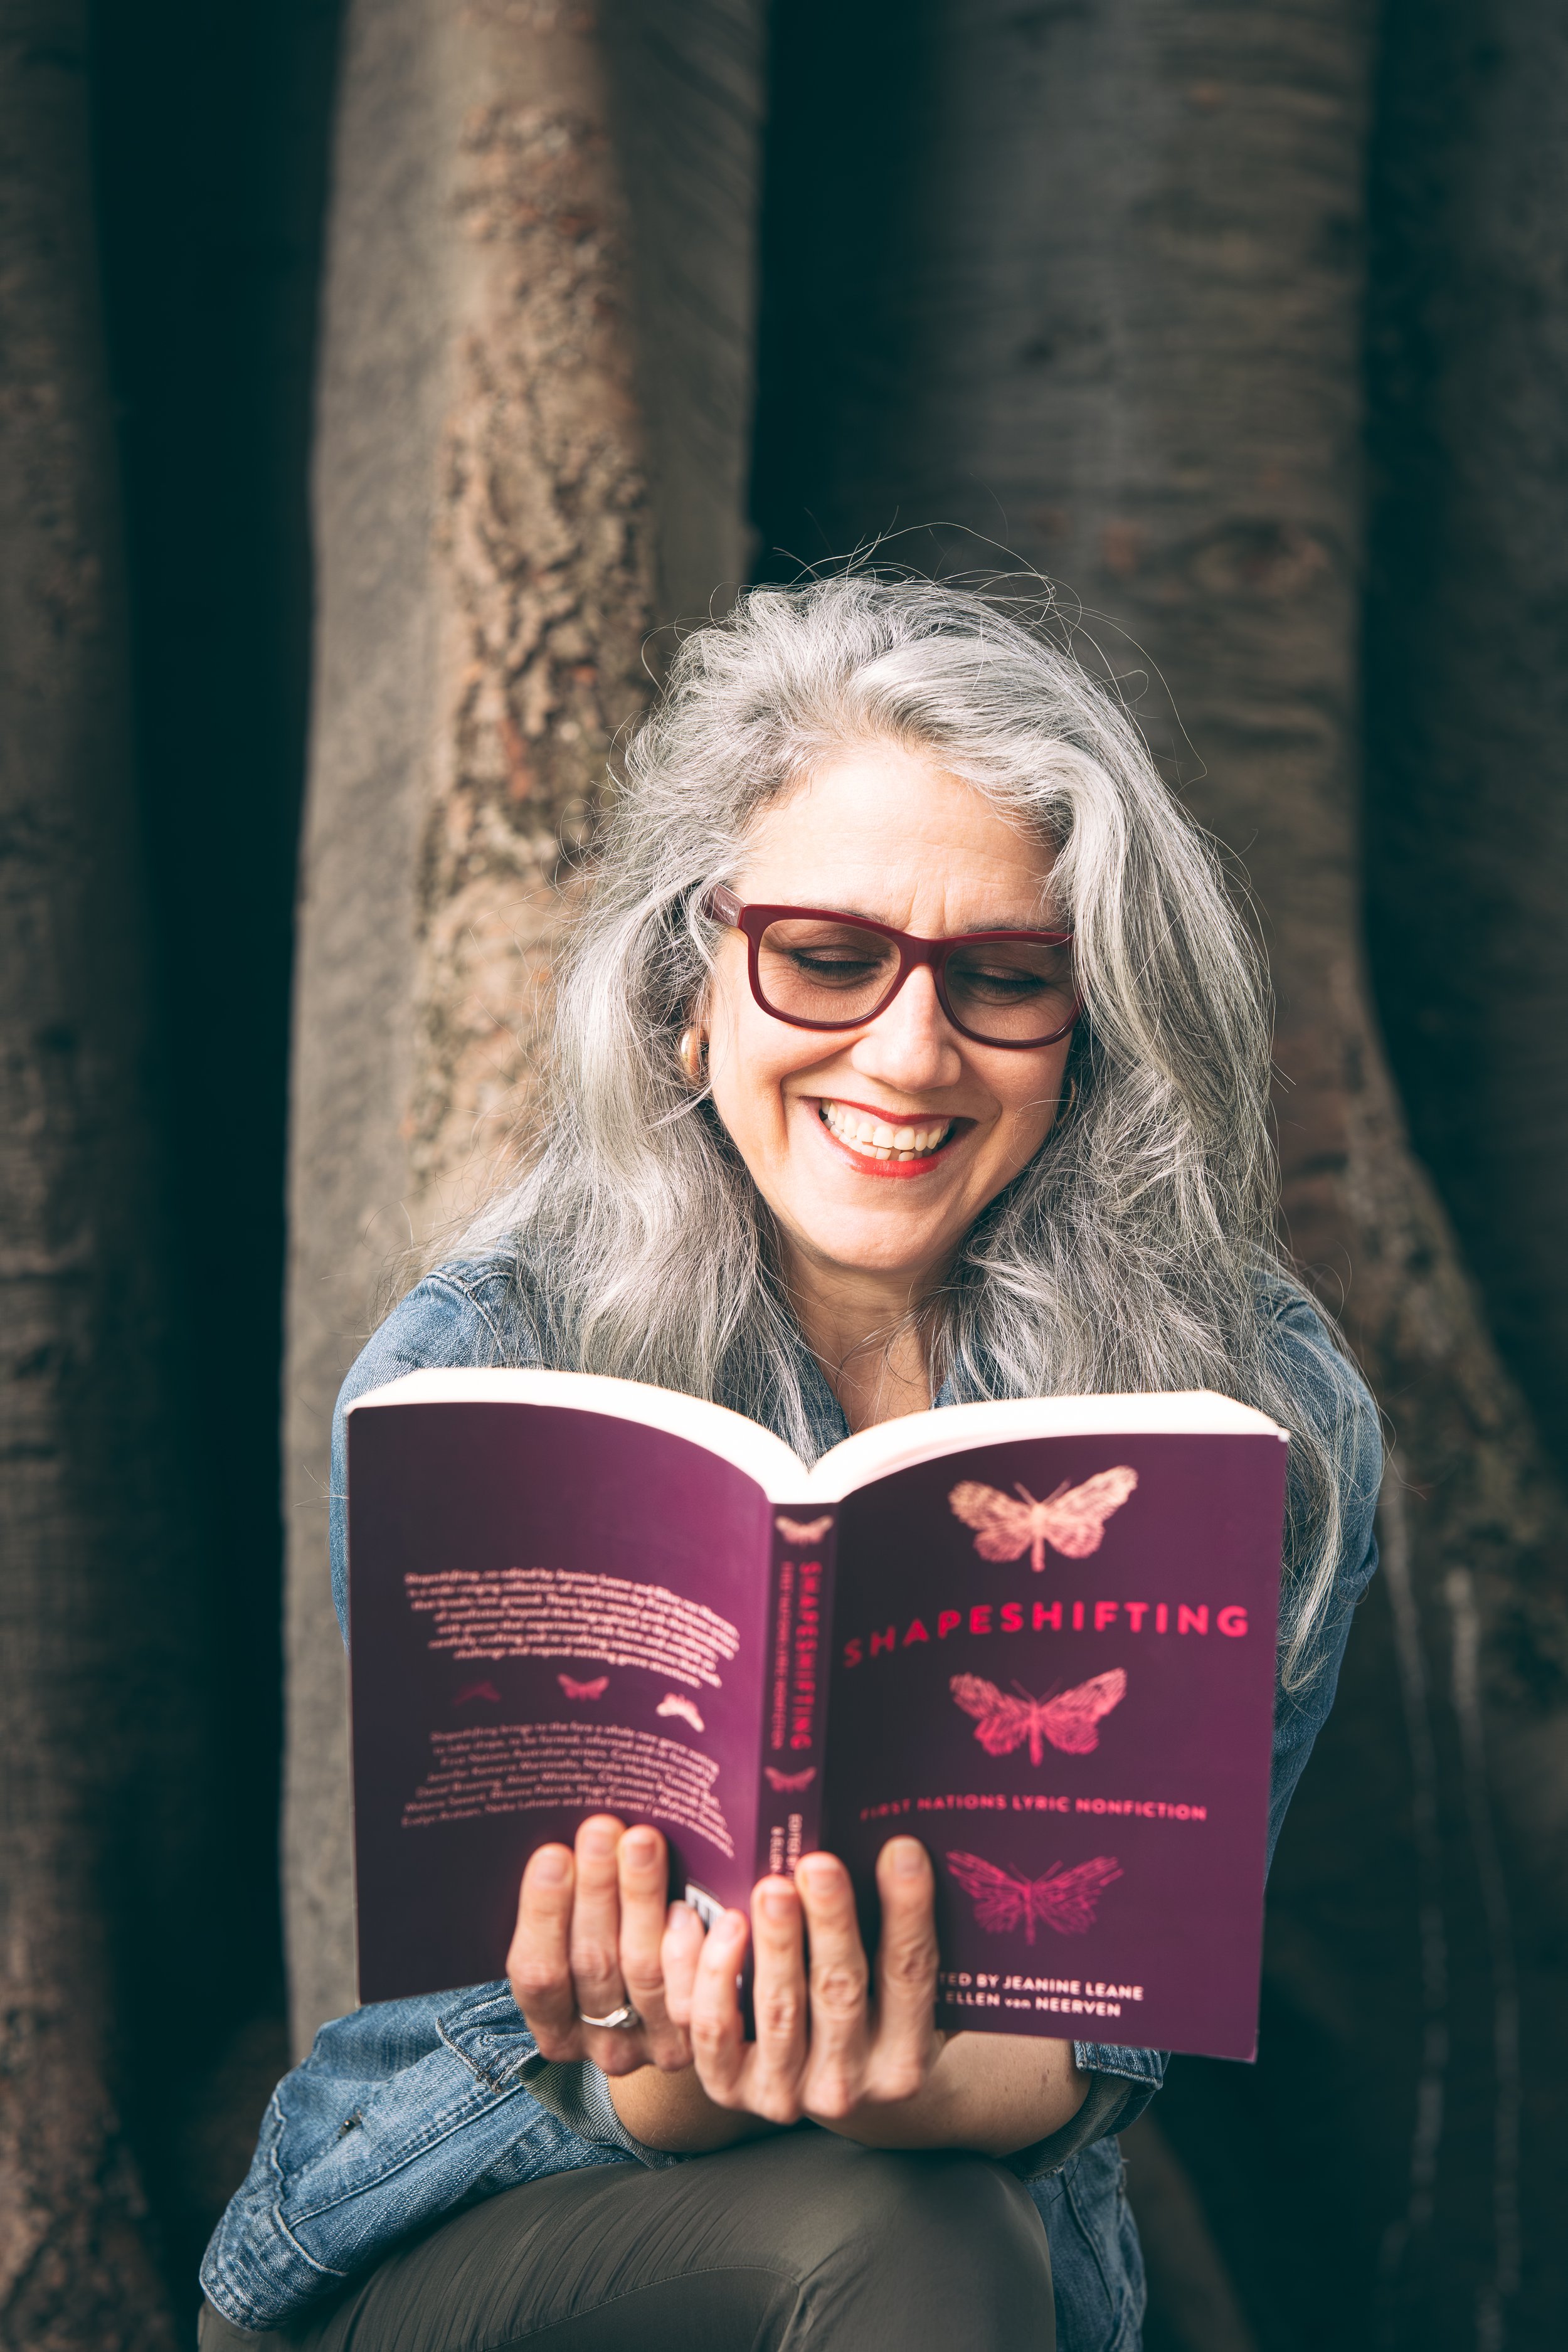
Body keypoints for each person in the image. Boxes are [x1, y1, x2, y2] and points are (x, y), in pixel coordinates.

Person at [200, 576, 1381, 2352]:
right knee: (908, 2239)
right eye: (827, 959)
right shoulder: (480, 1367)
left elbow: (1099, 2045)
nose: (907, 1052)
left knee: (931, 2227)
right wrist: (666, 2058)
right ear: (691, 994)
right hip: (462, 2224)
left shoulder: (1254, 1413)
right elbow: (542, 2048)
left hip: (955, 2233)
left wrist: (877, 2067)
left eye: (1004, 979)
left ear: (1091, 1034)